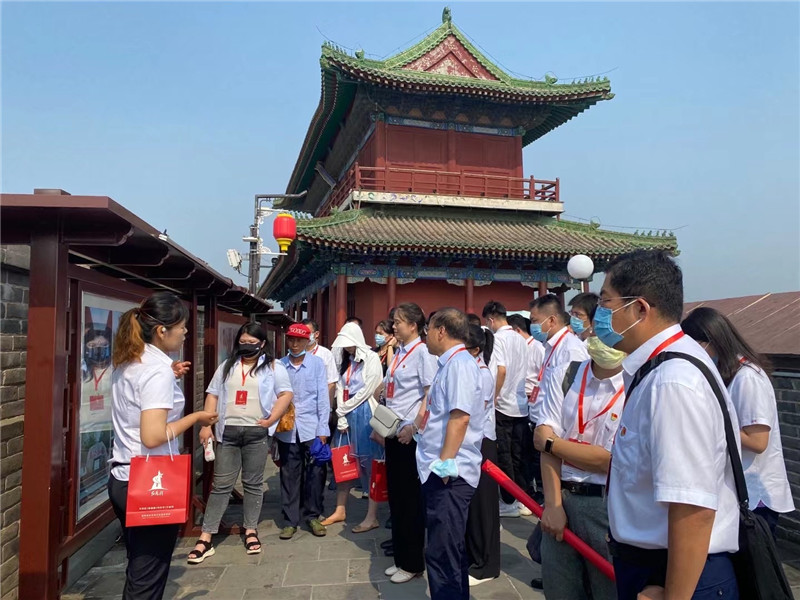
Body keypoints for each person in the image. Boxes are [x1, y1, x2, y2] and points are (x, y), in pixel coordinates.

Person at [600, 250, 740, 599]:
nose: (600, 314)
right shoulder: (660, 369)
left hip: (676, 577)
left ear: (639, 309)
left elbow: (693, 508)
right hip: (659, 566)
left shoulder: (672, 382)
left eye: (606, 302)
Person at [109, 292, 218, 599]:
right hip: (148, 483)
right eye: (182, 327)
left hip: (123, 476)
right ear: (161, 330)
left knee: (139, 567)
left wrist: (169, 374)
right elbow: (153, 436)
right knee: (148, 578)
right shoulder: (155, 371)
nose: (185, 332)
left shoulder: (130, 362)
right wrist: (196, 417)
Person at [682, 306, 794, 537]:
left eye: (695, 346)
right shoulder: (727, 374)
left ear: (710, 342)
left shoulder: (748, 378)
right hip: (737, 492)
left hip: (755, 496)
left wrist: (712, 423)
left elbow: (758, 441)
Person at [189, 322, 293, 562]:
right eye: (243, 342)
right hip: (228, 431)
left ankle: (250, 529)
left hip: (256, 431)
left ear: (262, 344)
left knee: (253, 483)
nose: (246, 346)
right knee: (221, 485)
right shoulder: (227, 366)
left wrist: (272, 419)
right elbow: (213, 394)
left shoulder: (273, 367)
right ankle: (206, 536)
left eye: (252, 343)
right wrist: (206, 425)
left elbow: (286, 394)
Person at [532, 334, 626, 600]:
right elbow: (541, 439)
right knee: (561, 590)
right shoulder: (566, 374)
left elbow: (609, 461)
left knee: (609, 591)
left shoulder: (636, 382)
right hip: (561, 500)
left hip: (607, 506)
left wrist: (554, 444)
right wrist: (553, 506)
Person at [418, 308, 483, 600]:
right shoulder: (449, 364)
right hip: (439, 470)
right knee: (445, 551)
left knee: (443, 553)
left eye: (428, 329)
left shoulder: (459, 365)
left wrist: (444, 464)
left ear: (441, 331)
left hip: (450, 475)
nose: (426, 336)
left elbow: (460, 418)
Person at [378, 303, 437, 584]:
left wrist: (415, 426)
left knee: (410, 500)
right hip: (392, 430)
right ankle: (401, 558)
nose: (394, 326)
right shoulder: (399, 351)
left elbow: (430, 393)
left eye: (398, 322)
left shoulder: (423, 353)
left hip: (409, 435)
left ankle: (413, 562)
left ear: (413, 325)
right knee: (397, 499)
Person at [322, 321, 384, 531]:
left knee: (369, 463)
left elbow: (368, 389)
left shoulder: (371, 358)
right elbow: (340, 385)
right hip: (346, 413)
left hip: (364, 412)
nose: (347, 348)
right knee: (343, 460)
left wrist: (343, 408)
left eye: (349, 343)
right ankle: (340, 509)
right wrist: (341, 411)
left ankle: (371, 515)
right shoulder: (346, 360)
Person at [277, 323, 331, 540]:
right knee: (289, 473)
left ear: (307, 341)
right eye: (291, 339)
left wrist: (323, 429)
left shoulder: (317, 364)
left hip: (312, 427)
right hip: (287, 429)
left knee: (316, 472)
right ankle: (290, 520)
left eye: (299, 340)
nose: (295, 344)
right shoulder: (279, 365)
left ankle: (313, 515)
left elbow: (323, 398)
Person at [482, 301, 534, 518]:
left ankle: (509, 501)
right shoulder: (520, 338)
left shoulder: (498, 339)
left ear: (491, 319)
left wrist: (493, 397)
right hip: (520, 404)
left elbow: (500, 370)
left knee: (504, 456)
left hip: (503, 405)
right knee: (519, 456)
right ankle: (523, 500)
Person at [464, 324, 501, 587]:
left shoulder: (481, 373)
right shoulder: (471, 370)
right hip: (473, 441)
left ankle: (486, 565)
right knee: (473, 506)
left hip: (482, 442)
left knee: (483, 507)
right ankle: (474, 556)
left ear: (476, 350)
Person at [527, 294, 589, 424]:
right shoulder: (550, 346)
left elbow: (573, 396)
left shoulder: (570, 350)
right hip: (540, 423)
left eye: (534, 321)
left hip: (555, 427)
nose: (532, 326)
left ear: (551, 321)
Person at [507, 313, 545, 500]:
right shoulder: (520, 347)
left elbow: (542, 376)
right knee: (524, 447)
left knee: (535, 450)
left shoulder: (537, 348)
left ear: (517, 330)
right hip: (522, 399)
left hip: (535, 399)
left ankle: (540, 489)